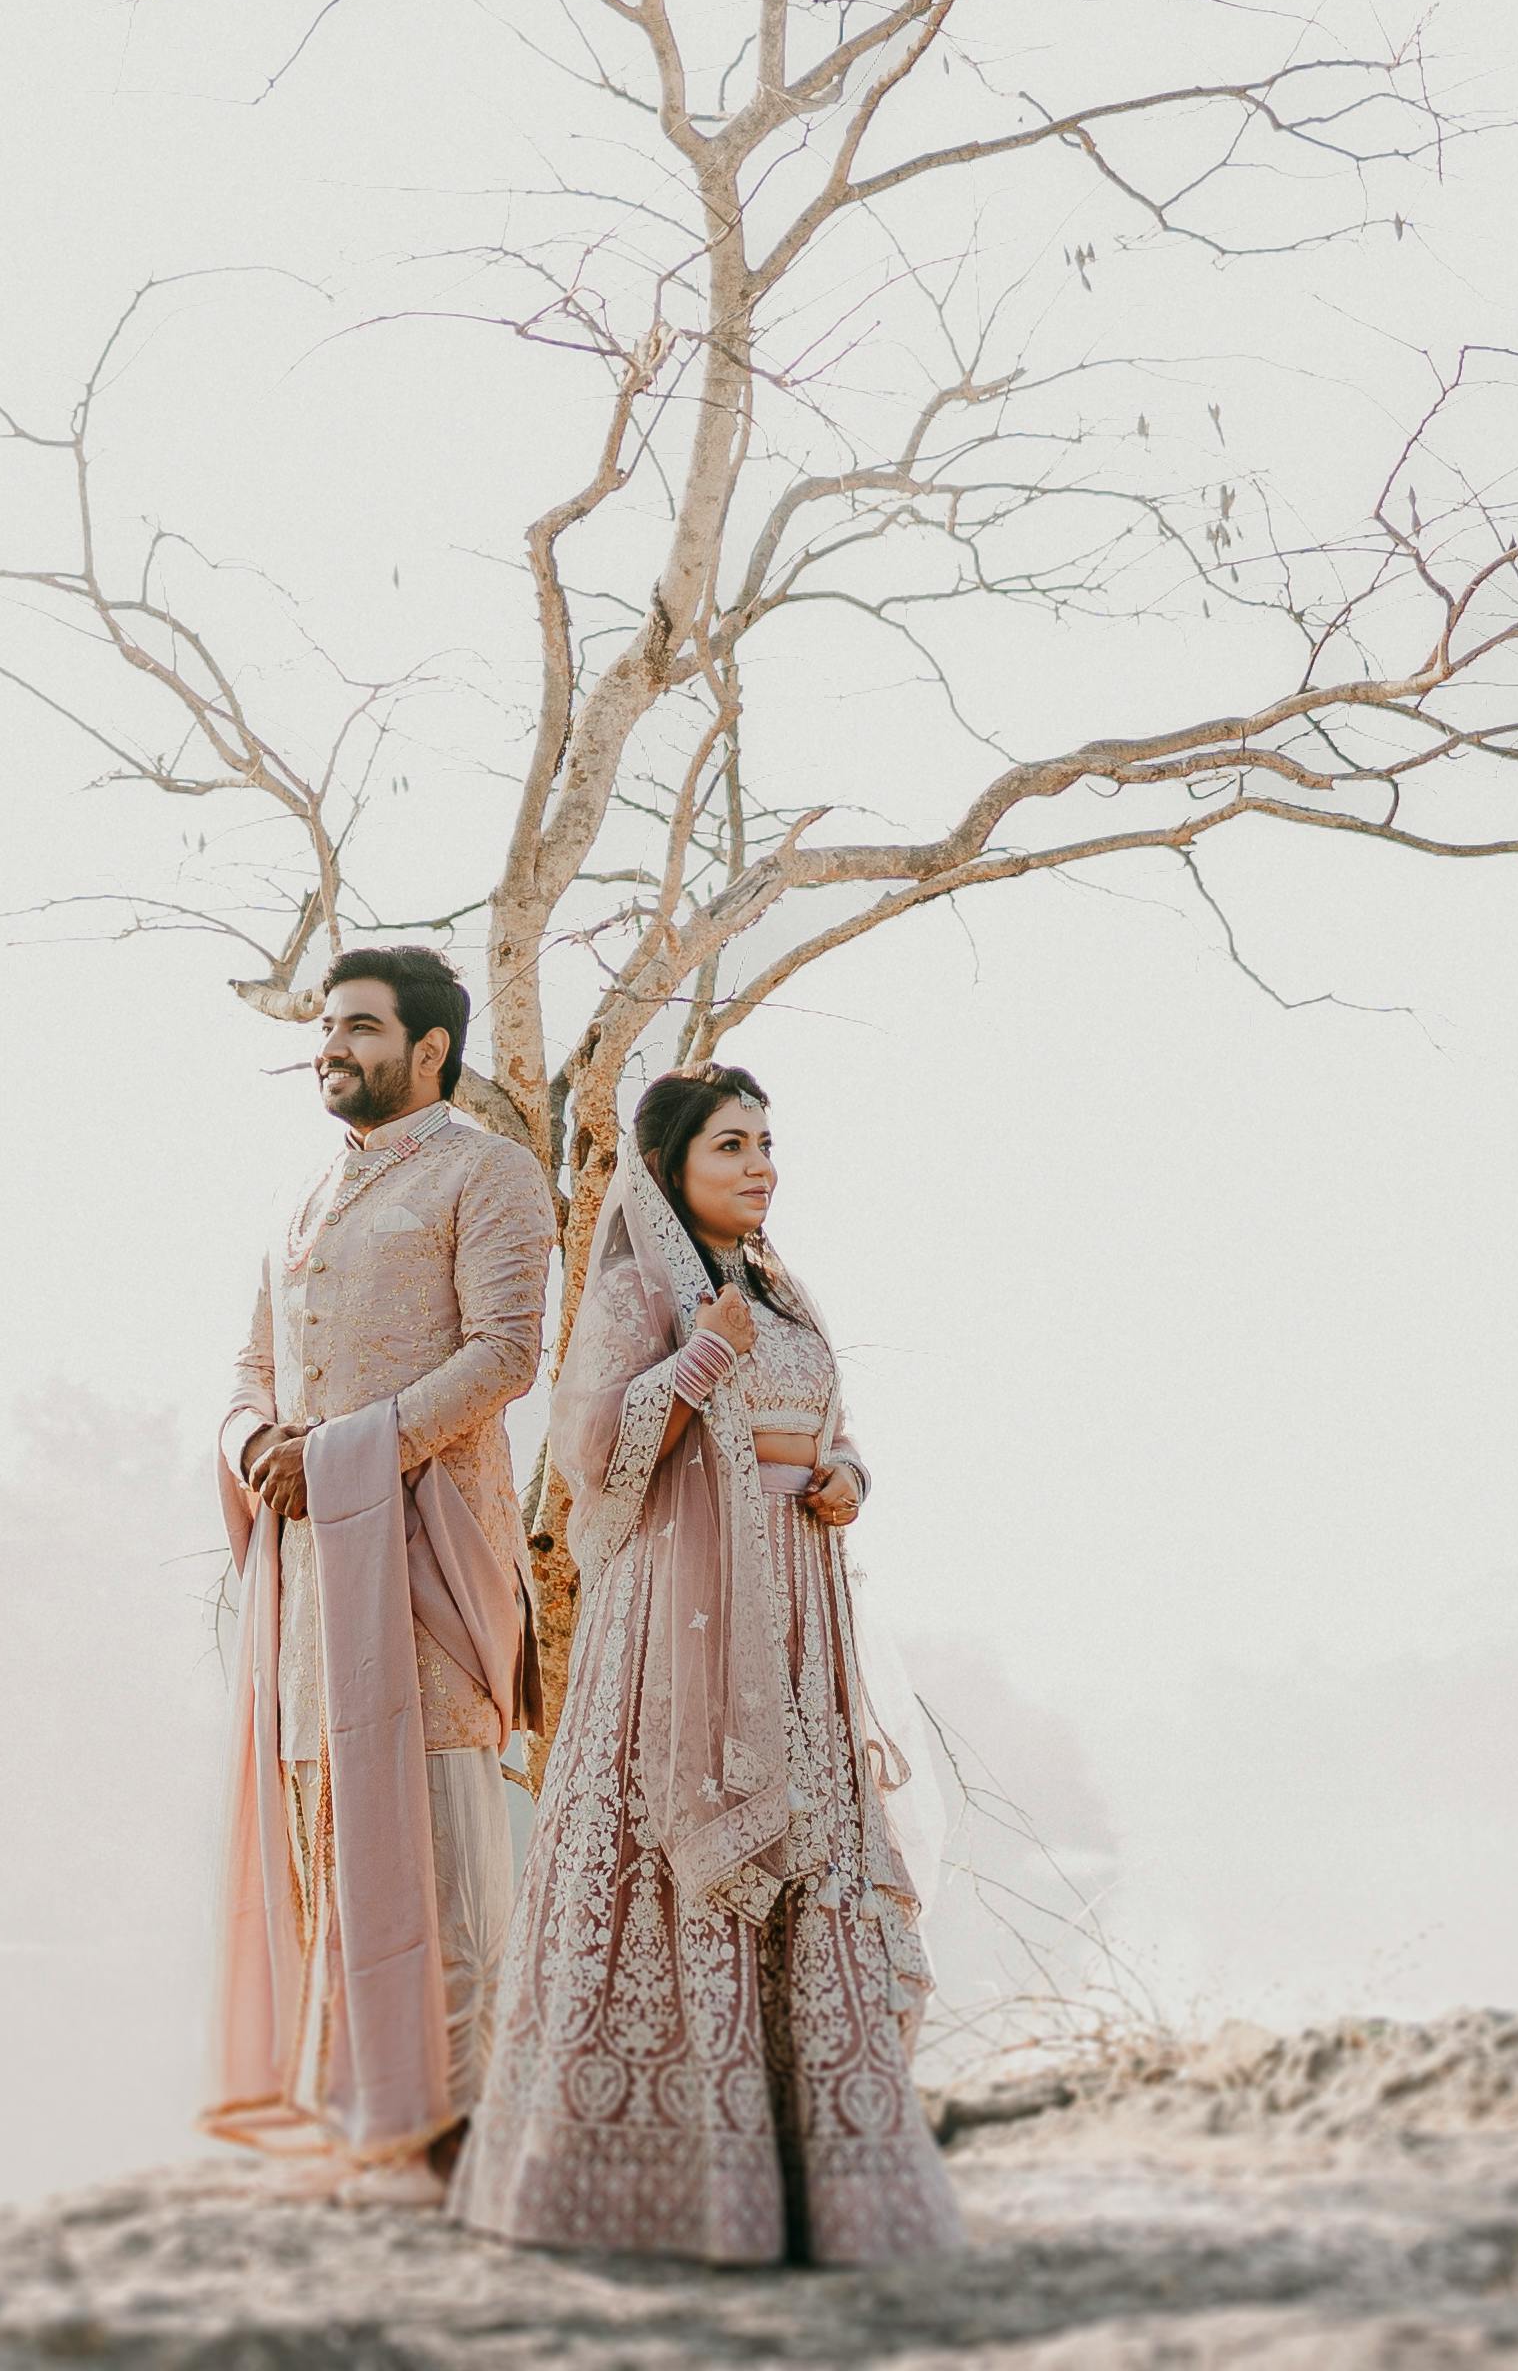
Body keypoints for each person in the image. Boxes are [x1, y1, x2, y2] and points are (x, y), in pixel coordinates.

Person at [454, 1061, 964, 2266]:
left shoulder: (782, 1294)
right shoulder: (642, 1290)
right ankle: (661, 2178)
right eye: (732, 1144)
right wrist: (693, 1362)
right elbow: (585, 1454)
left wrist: (848, 1476)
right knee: (669, 1855)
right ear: (672, 1167)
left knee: (815, 1853)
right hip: (675, 1626)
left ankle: (816, 2183)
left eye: (768, 1141)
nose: (761, 1165)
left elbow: (827, 1432)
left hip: (795, 1613)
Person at [206, 944, 551, 2205]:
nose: (332, 1046)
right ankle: (375, 2119)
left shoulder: (485, 1170)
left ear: (429, 1049)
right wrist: (261, 1451)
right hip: (309, 1573)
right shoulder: (306, 1199)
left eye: (358, 1026)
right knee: (330, 1836)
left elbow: (506, 1353)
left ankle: (473, 2131)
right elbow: (249, 1369)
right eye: (326, 1029)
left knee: (448, 1843)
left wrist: (345, 1455)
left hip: (426, 1550)